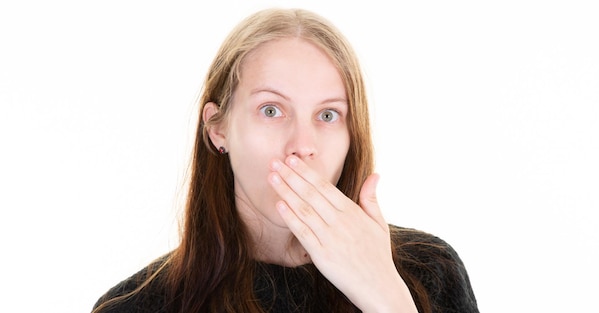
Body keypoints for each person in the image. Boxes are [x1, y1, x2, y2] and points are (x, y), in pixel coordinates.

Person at [92, 8, 479, 313]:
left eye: (328, 115)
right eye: (272, 110)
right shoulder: (133, 306)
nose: (302, 145)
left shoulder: (430, 273)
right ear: (218, 129)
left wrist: (387, 298)